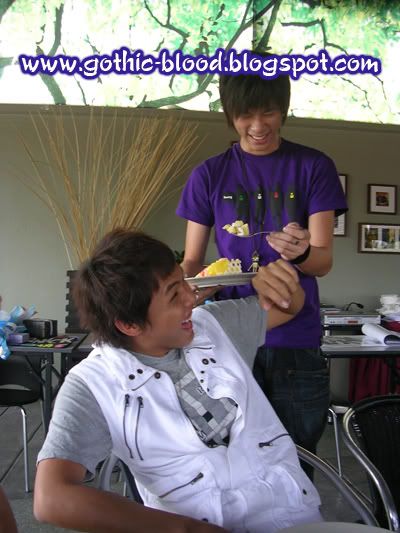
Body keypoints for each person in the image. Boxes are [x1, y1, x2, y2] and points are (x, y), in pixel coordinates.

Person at [34, 229, 323, 533]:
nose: (192, 296)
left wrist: (285, 286)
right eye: (174, 294)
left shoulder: (215, 324)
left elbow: (288, 308)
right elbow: (51, 498)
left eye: (184, 281)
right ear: (129, 324)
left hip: (290, 515)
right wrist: (185, 529)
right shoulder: (93, 384)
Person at [176, 58, 348, 467]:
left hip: (294, 337)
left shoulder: (313, 166)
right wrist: (186, 290)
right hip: (229, 336)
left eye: (268, 112)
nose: (257, 125)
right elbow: (192, 261)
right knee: (231, 459)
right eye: (245, 115)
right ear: (230, 114)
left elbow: (322, 261)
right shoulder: (209, 175)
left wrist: (300, 252)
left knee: (295, 460)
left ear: (283, 109)